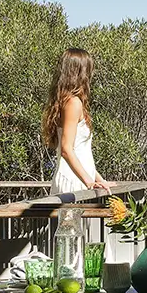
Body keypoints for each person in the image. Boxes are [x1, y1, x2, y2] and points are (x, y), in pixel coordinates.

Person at [43, 47, 111, 196]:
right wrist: (89, 182)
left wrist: (100, 180)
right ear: (80, 73)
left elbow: (81, 153)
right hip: (73, 184)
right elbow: (67, 149)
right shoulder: (73, 103)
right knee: (73, 220)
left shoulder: (68, 102)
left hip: (78, 181)